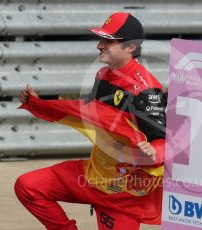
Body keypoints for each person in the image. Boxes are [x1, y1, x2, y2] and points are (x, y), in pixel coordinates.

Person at [15, 12, 166, 230]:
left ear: (130, 47)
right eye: (101, 39)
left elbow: (165, 141)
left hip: (123, 194)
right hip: (92, 176)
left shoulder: (145, 89)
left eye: (108, 41)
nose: (99, 46)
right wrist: (45, 103)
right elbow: (91, 113)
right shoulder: (102, 74)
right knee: (27, 186)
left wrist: (152, 153)